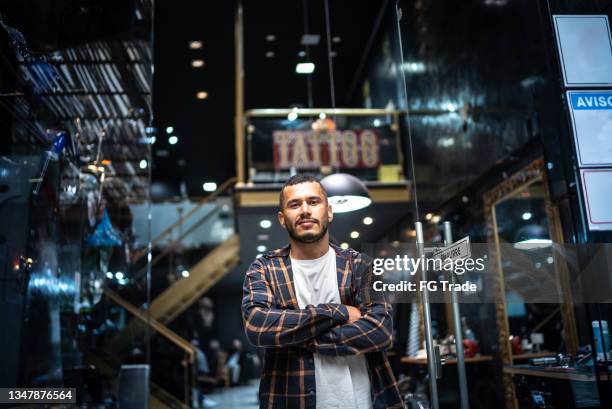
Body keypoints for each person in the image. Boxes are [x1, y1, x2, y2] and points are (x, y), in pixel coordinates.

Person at [241, 174, 403, 409]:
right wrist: (338, 312)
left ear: (329, 211)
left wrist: (295, 337)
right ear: (282, 218)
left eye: (313, 202)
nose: (305, 210)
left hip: (362, 401)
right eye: (294, 204)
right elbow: (258, 326)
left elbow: (381, 330)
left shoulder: (360, 265)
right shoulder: (264, 269)